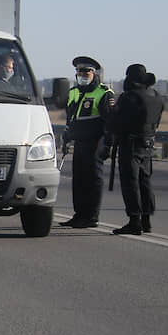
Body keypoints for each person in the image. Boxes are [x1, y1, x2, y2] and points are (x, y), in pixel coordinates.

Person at [107, 64, 164, 235]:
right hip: (148, 144)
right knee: (145, 182)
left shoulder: (130, 97)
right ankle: (146, 220)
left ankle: (134, 221)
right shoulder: (156, 96)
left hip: (130, 144)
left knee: (131, 183)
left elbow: (116, 122)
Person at [59, 56, 116, 228]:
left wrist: (108, 145)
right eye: (79, 71)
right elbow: (72, 118)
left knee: (93, 180)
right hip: (80, 142)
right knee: (79, 179)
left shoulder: (104, 93)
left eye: (86, 71)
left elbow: (110, 123)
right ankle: (79, 214)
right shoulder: (74, 92)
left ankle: (91, 216)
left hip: (95, 142)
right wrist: (67, 137)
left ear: (94, 73)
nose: (82, 74)